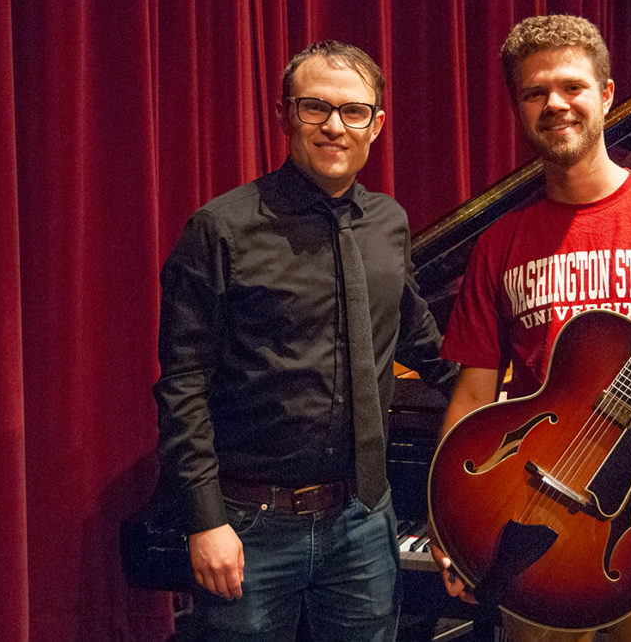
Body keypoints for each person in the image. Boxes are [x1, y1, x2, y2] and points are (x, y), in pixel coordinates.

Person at [431, 15, 631, 641]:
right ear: (520, 109)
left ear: (607, 94)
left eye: (573, 86)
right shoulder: (499, 244)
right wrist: (453, 522)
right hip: (531, 519)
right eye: (535, 92)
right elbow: (473, 394)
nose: (556, 103)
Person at [154, 40, 456, 641]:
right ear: (286, 114)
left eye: (353, 111)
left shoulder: (389, 224)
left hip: (363, 522)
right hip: (248, 524)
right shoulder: (221, 229)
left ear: (377, 123)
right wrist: (204, 520)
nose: (335, 126)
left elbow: (425, 345)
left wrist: (524, 405)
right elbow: (183, 384)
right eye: (315, 106)